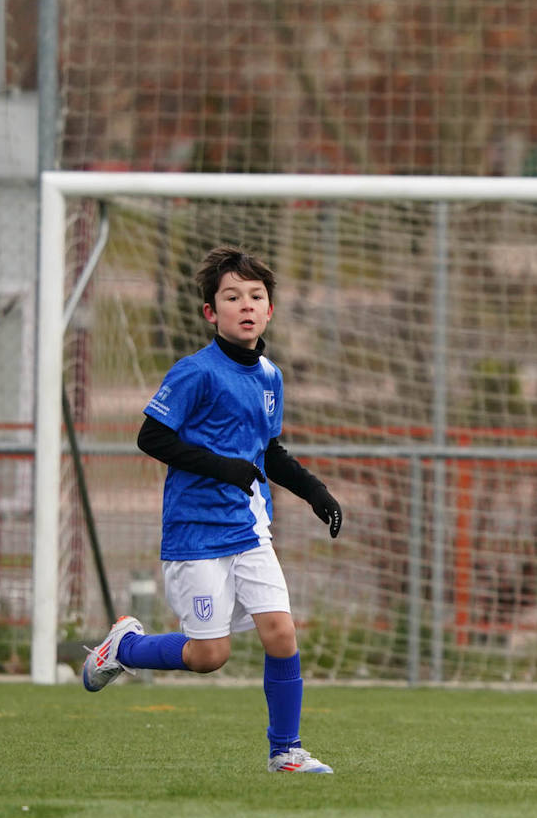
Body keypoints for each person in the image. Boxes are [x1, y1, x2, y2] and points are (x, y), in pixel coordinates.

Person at [81, 246, 343, 775]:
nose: (245, 305)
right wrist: (221, 467)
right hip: (195, 534)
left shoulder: (270, 375)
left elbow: (269, 453)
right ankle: (125, 647)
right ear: (210, 312)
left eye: (256, 296)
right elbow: (151, 436)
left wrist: (316, 493)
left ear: (269, 310)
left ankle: (284, 752)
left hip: (250, 528)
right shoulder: (195, 372)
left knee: (281, 631)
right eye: (232, 296)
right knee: (209, 656)